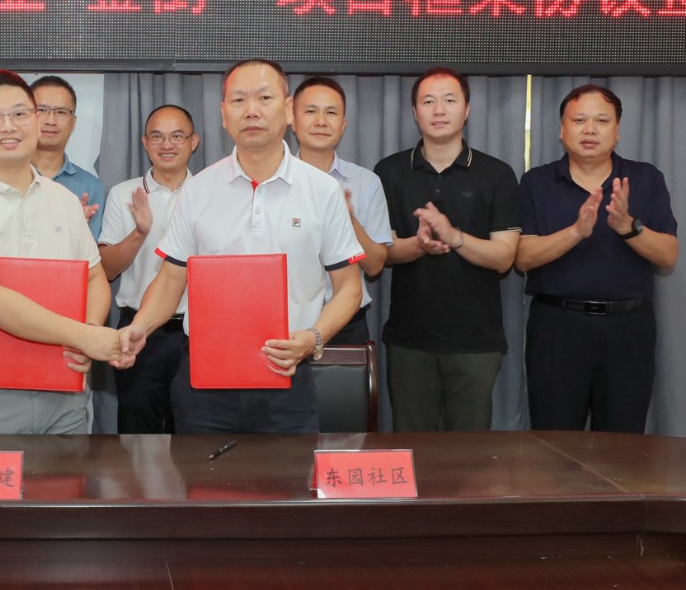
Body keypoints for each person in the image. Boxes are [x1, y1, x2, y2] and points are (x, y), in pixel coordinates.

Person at [120, 59, 365, 434]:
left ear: (287, 109)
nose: (251, 110)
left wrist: (313, 338)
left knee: (288, 472)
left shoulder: (322, 190)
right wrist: (140, 326)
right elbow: (170, 280)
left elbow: (349, 287)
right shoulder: (198, 190)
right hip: (204, 383)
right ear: (223, 114)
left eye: (264, 98)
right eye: (238, 100)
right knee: (200, 472)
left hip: (287, 375)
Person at [0, 70, 126, 433]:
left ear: (35, 122)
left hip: (64, 387)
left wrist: (89, 333)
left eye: (20, 113)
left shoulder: (64, 200)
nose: (8, 126)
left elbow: (94, 276)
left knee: (70, 472)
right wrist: (84, 337)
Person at [515, 84, 680, 433]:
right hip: (557, 327)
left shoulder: (645, 178)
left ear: (617, 131)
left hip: (627, 328)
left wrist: (628, 226)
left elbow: (668, 256)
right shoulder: (537, 181)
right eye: (579, 120)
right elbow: (522, 258)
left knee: (622, 443)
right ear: (562, 130)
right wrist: (576, 232)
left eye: (602, 121)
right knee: (554, 441)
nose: (589, 130)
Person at [373, 68, 520, 432]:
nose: (438, 110)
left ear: (467, 109)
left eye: (449, 100)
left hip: (476, 342)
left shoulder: (497, 174)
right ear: (414, 112)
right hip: (409, 341)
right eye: (428, 101)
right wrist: (420, 245)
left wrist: (455, 238)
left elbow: (504, 258)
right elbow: (383, 253)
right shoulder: (389, 172)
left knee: (469, 454)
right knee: (411, 446)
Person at [98, 104, 201, 433]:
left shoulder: (210, 193)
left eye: (177, 136)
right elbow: (107, 270)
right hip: (138, 330)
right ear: (144, 142)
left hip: (196, 331)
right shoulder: (123, 194)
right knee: (136, 432)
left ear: (194, 141)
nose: (166, 145)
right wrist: (139, 232)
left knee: (193, 430)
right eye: (157, 137)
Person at [291, 76, 393, 345]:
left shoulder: (366, 182)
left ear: (343, 124)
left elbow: (375, 266)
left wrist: (347, 218)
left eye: (331, 113)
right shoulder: (273, 180)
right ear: (292, 119)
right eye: (310, 111)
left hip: (345, 320)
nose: (321, 121)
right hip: (286, 319)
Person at [30, 75, 105, 238]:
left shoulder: (91, 187)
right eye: (42, 110)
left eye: (61, 112)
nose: (51, 120)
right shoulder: (4, 176)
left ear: (73, 122)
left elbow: (91, 252)